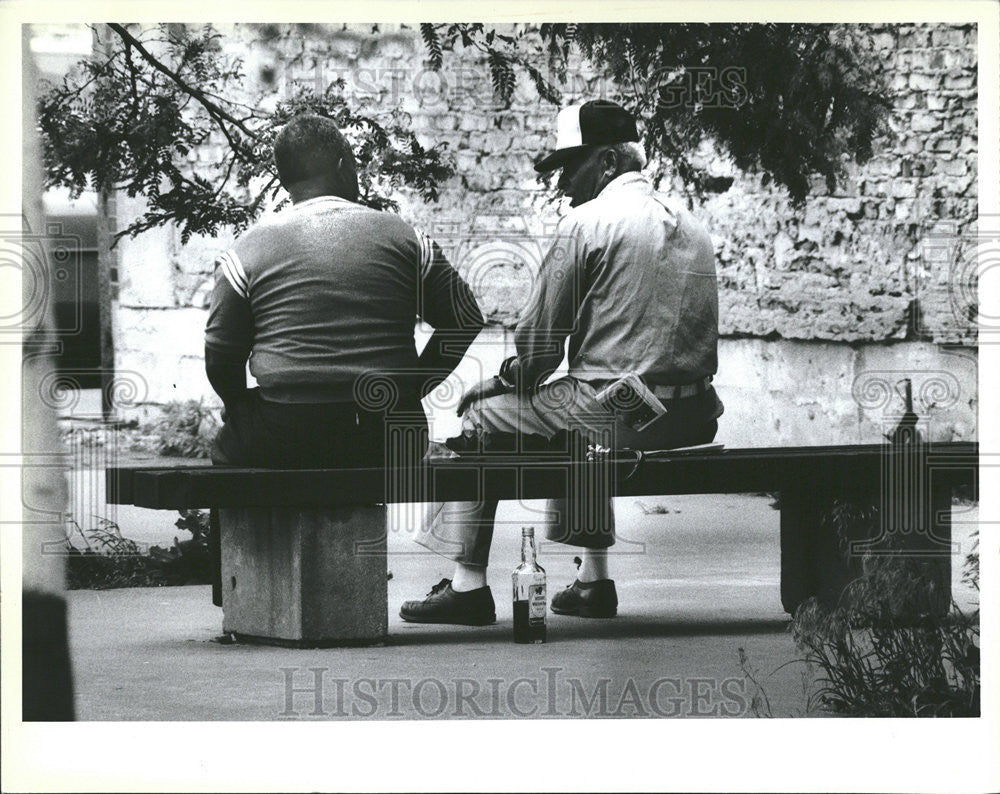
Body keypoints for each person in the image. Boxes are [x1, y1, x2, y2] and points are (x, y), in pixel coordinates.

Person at [400, 99, 723, 626]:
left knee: (487, 419)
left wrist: (500, 383)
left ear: (607, 163)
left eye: (569, 167)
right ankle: (594, 580)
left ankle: (467, 586)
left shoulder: (587, 223)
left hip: (620, 420)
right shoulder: (692, 223)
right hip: (692, 415)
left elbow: (537, 352)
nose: (561, 183)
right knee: (583, 413)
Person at [205, 114, 483, 470]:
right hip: (389, 434)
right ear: (343, 166)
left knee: (226, 448)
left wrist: (241, 407)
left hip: (286, 433)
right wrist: (410, 390)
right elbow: (465, 319)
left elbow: (220, 356)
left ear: (285, 179)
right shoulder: (406, 238)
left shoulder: (245, 251)